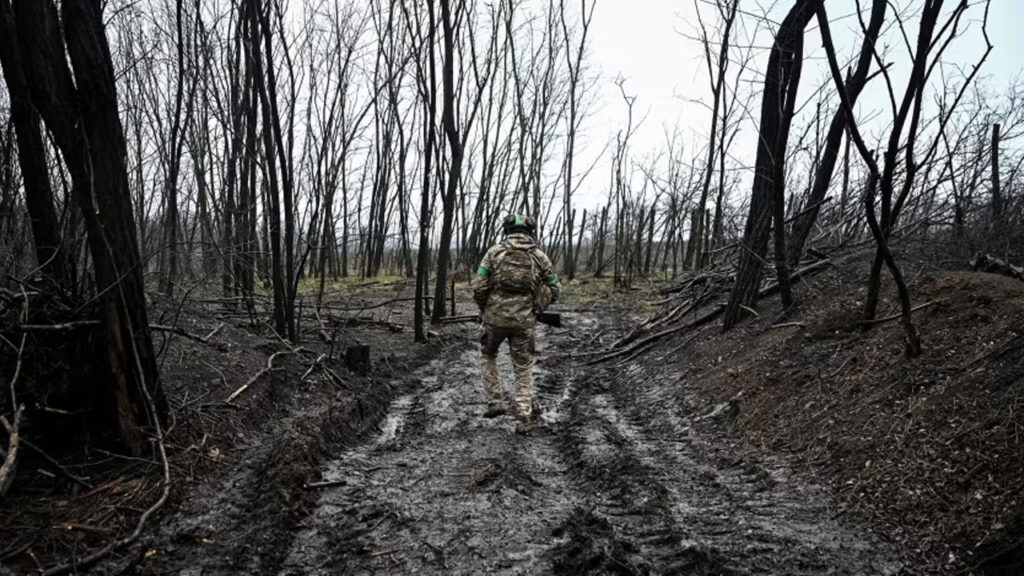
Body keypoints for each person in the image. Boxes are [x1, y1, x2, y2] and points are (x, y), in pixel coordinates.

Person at [472, 214, 561, 434]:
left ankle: (495, 401)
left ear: (506, 230)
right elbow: (555, 288)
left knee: (488, 355)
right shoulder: (539, 256)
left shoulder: (493, 253)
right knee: (523, 367)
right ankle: (523, 418)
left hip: (494, 319)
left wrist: (485, 309)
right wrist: (538, 306)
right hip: (524, 322)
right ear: (530, 232)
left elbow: (479, 287)